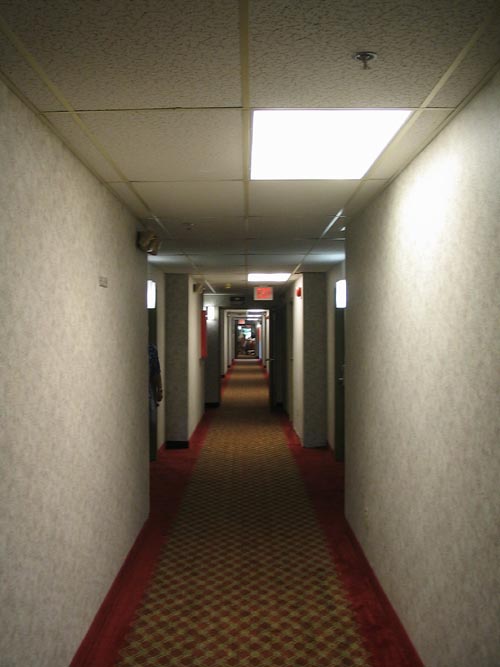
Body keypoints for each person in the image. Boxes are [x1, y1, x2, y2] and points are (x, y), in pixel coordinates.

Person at [148, 343, 163, 460]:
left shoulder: (151, 350)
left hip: (147, 390)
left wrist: (159, 389)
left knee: (152, 421)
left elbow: (156, 372)